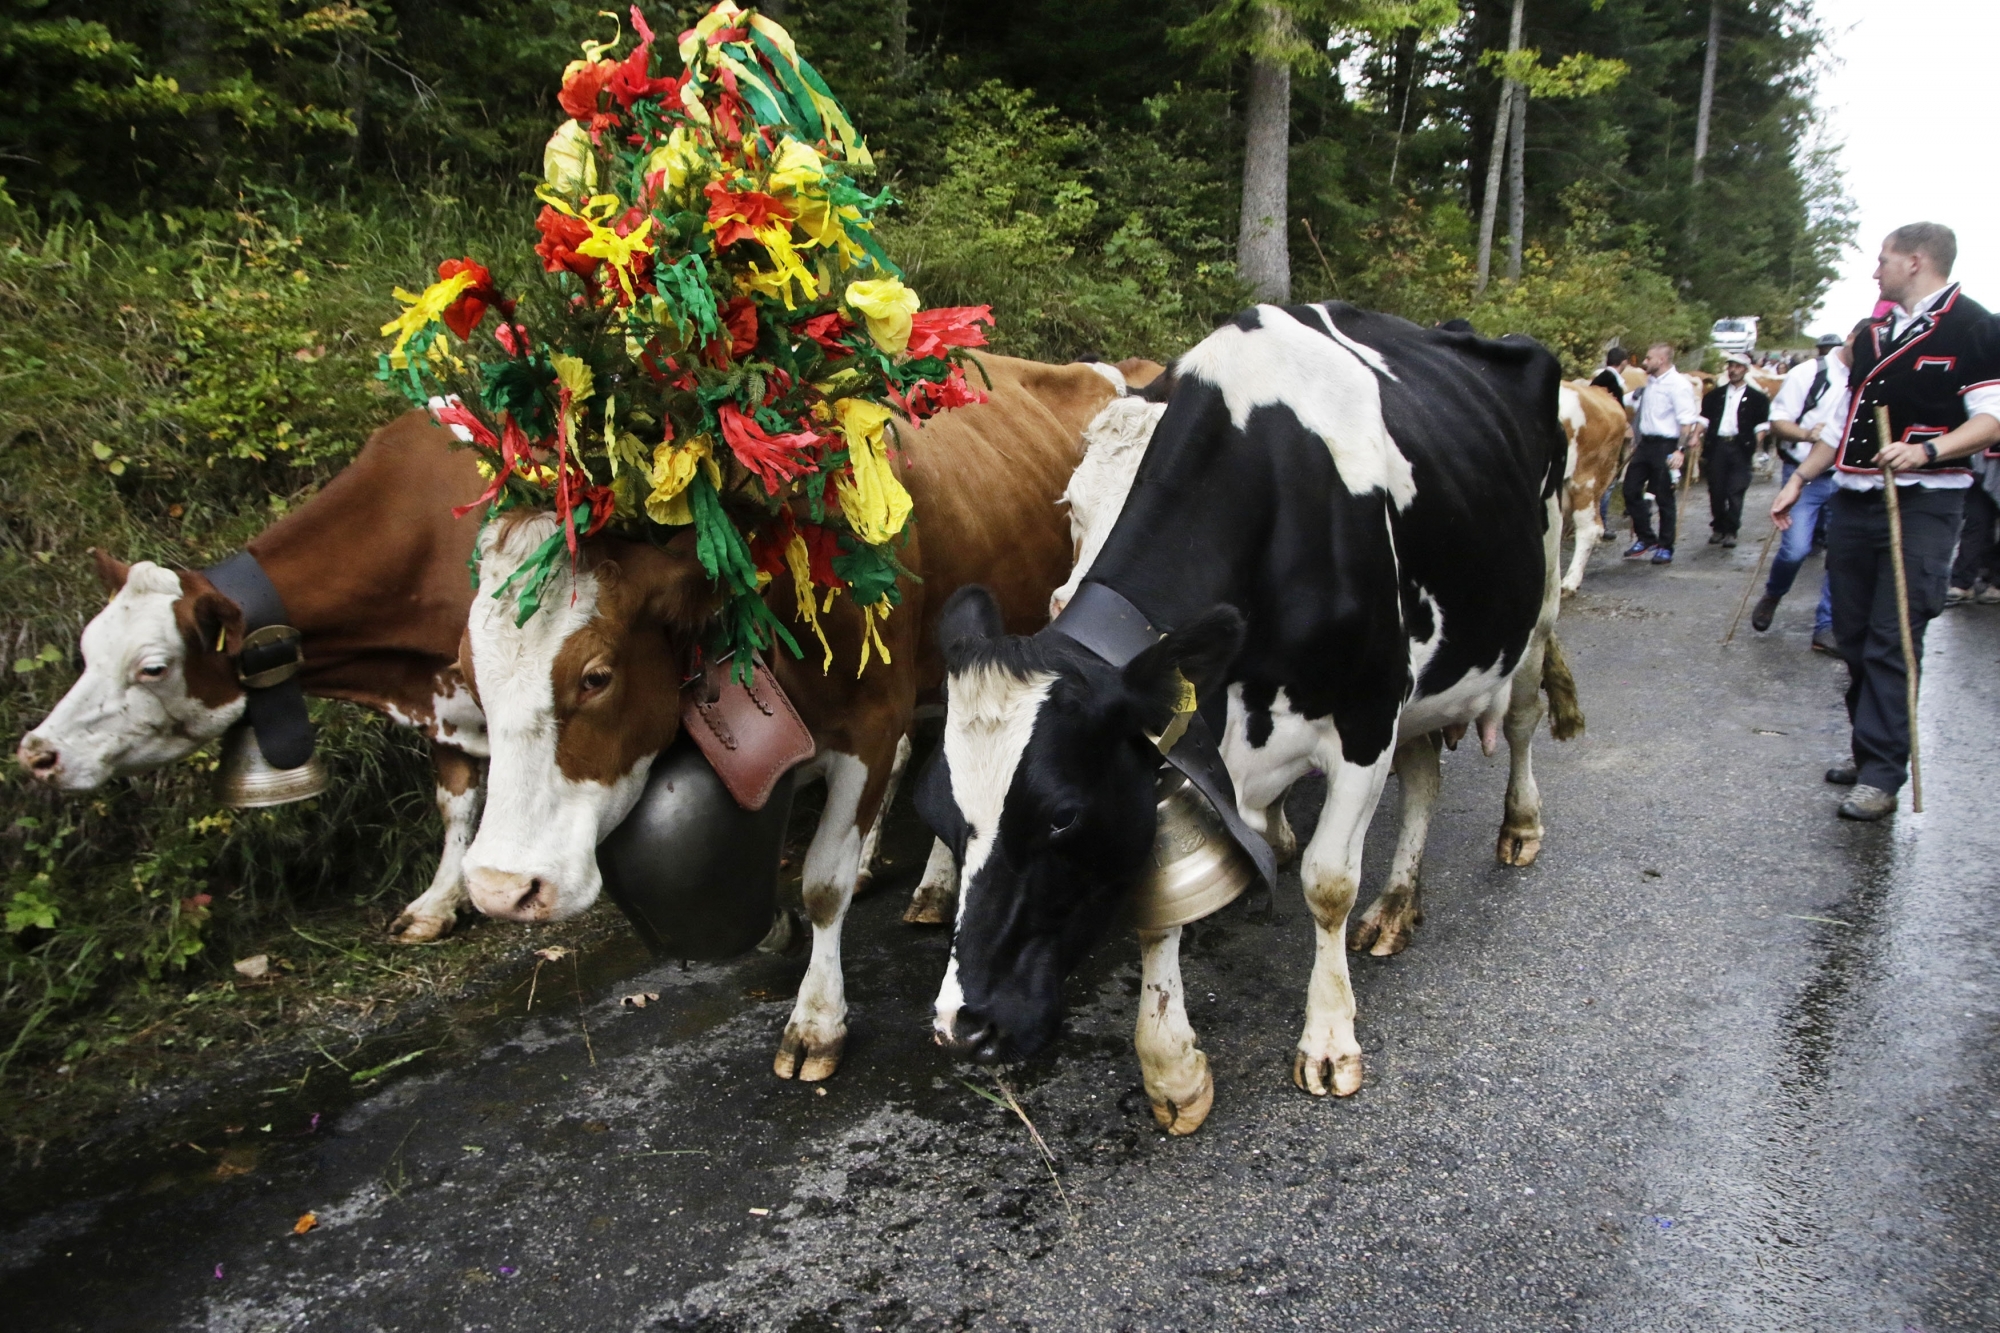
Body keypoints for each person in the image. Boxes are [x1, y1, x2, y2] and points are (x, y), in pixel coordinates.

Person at [1770, 222, 2000, 820]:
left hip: (1923, 500)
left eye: (1883, 261)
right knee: (1850, 635)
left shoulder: (1976, 326)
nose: (1876, 272)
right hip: (1854, 499)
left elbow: (1992, 420)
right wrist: (1799, 480)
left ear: (1916, 262)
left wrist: (1928, 450)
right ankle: (1867, 746)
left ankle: (1882, 772)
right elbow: (1841, 420)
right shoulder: (1870, 335)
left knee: (1893, 636)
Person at [1751, 323, 1863, 647]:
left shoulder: (1869, 376)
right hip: (1806, 473)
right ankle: (1774, 592)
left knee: (1840, 555)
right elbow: (1778, 422)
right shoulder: (1808, 373)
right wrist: (1807, 434)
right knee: (1796, 549)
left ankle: (1826, 626)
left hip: (1848, 477)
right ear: (1852, 339)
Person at [1622, 342, 1702, 564]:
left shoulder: (1678, 385)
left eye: (1648, 358)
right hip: (1645, 444)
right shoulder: (1651, 382)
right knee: (1630, 490)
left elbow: (1686, 421)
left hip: (1666, 446)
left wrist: (1680, 450)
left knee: (1664, 496)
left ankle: (1666, 546)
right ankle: (1647, 537)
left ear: (1662, 360)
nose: (1645, 362)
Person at [1700, 353, 1771, 546]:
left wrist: (1752, 445)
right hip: (1718, 445)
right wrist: (1692, 437)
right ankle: (1718, 526)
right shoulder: (1715, 396)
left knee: (1735, 490)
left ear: (1746, 370)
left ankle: (1731, 530)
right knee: (1716, 489)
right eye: (1730, 366)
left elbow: (1762, 427)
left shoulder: (1758, 399)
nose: (1733, 370)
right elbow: (1704, 420)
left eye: (1738, 367)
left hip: (1740, 447)